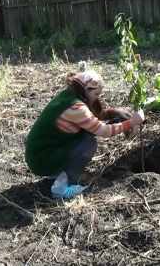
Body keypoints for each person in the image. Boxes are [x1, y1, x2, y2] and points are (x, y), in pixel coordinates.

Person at [25, 70, 144, 199]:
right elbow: (103, 131)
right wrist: (131, 122)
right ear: (86, 89)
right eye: (96, 94)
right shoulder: (76, 108)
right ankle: (61, 189)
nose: (97, 98)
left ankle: (59, 173)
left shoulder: (69, 95)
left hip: (42, 151)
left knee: (86, 135)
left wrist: (113, 112)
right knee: (88, 143)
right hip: (41, 159)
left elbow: (92, 117)